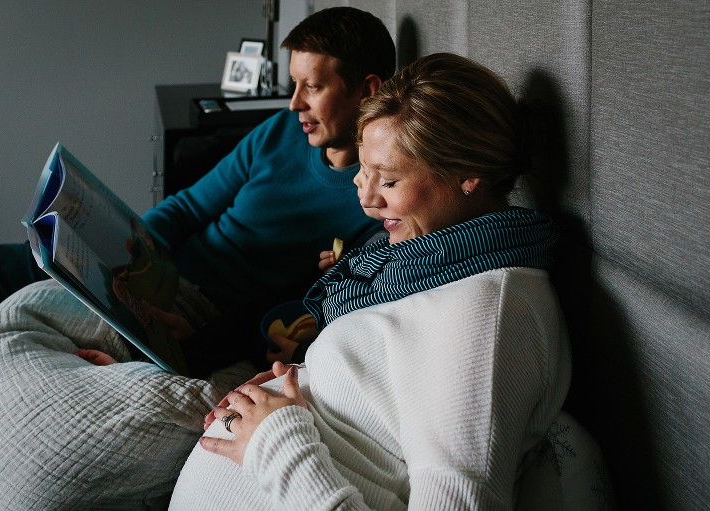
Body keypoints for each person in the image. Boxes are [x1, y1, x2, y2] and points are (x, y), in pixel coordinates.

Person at [167, 52, 572, 510]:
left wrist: (276, 441)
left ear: (468, 176)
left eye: (391, 181)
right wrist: (304, 377)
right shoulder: (423, 266)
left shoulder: (491, 316)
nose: (365, 198)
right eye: (363, 169)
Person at [0, 7, 396, 376]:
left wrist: (199, 340)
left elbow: (302, 311)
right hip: (152, 260)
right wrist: (131, 246)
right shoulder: (281, 131)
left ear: (366, 90)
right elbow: (190, 206)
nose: (294, 102)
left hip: (193, 307)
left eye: (312, 87)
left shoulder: (377, 202)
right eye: (294, 84)